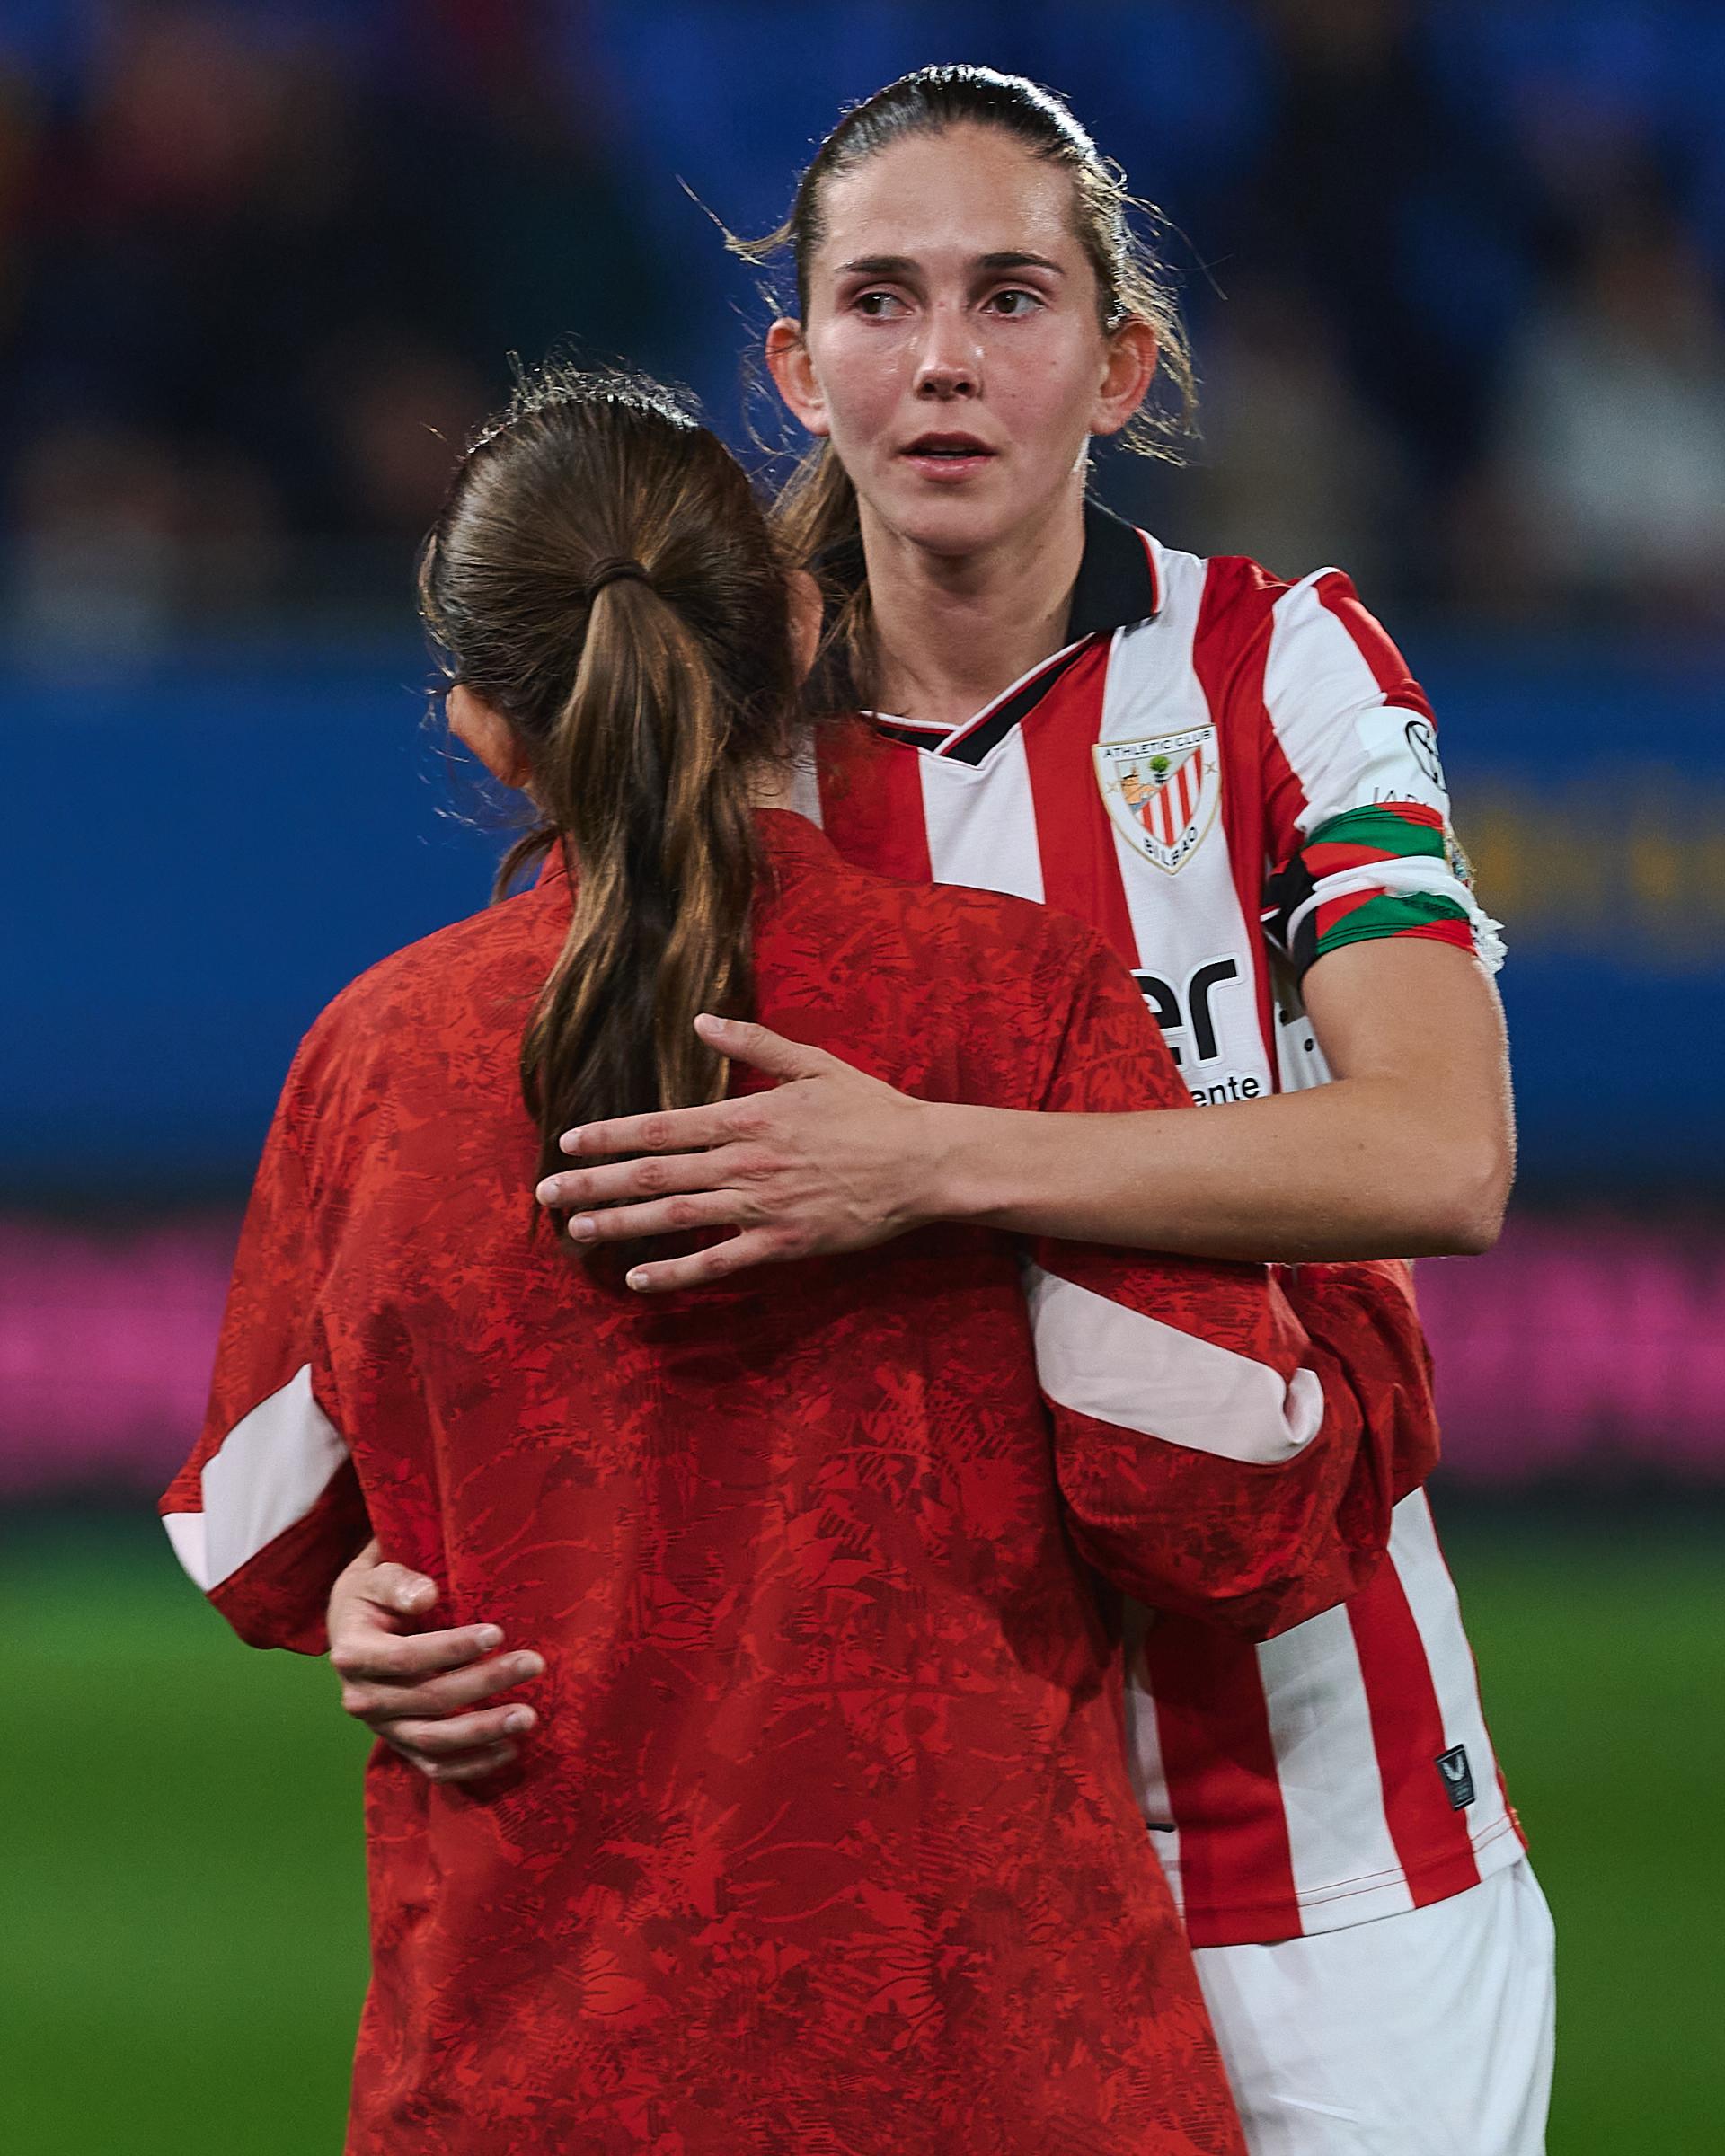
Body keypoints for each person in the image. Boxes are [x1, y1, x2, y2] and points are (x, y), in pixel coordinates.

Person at [329, 69, 1554, 2156]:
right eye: (882, 302)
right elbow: (577, 1223)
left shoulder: (1280, 667)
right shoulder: (712, 722)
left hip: (1326, 1853)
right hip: (914, 1892)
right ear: (796, 369)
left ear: (1121, 362)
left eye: (1012, 297)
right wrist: (402, 1569)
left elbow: (1442, 1151)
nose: (947, 361)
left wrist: (930, 1158)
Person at [163, 366, 1441, 2155]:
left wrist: (379, 1584)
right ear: (797, 621)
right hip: (987, 2060)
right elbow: (1217, 1505)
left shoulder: (375, 1061)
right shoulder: (1010, 997)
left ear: (482, 729)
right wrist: (1357, 1275)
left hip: (529, 2079)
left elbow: (253, 1536)